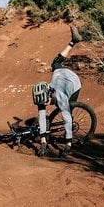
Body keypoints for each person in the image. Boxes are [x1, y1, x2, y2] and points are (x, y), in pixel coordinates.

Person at [32, 25, 83, 158]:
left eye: (46, 102)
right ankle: (74, 41)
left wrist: (68, 145)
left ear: (49, 95)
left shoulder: (61, 98)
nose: (45, 104)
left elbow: (66, 121)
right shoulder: (42, 95)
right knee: (55, 62)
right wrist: (43, 142)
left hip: (73, 83)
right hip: (59, 73)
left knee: (68, 115)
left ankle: (69, 138)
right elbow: (42, 117)